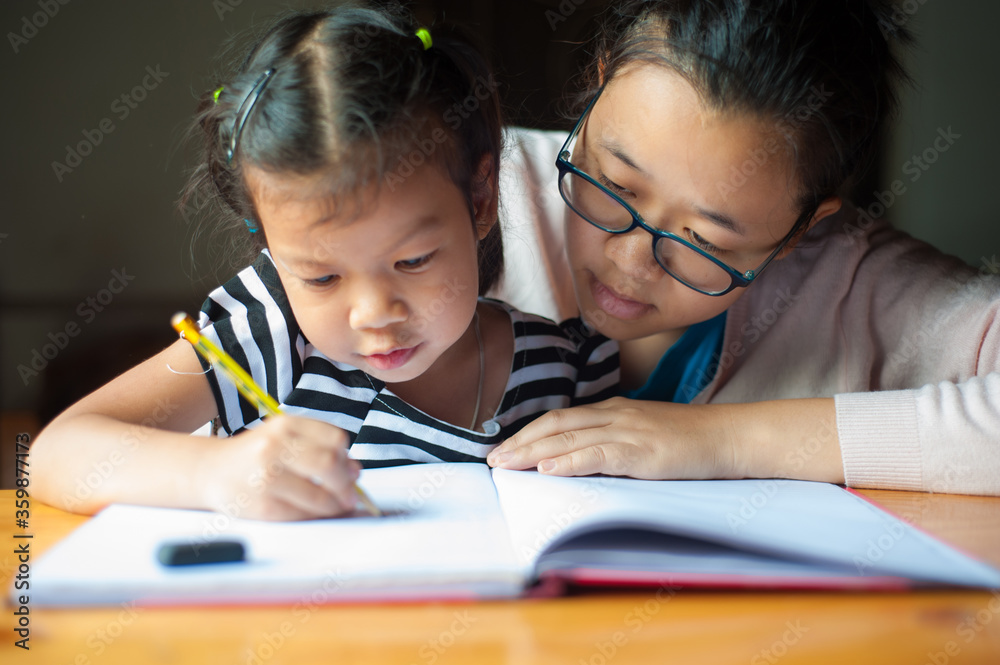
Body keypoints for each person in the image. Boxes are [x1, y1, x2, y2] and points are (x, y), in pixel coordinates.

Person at [28, 3, 618, 521]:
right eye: (322, 277)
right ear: (267, 246)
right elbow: (61, 452)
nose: (372, 314)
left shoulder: (566, 370)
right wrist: (214, 472)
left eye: (412, 260)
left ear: (482, 199)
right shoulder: (272, 336)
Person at [487, 0, 1000, 496]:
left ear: (799, 230)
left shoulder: (858, 286)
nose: (631, 262)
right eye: (615, 186)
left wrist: (722, 438)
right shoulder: (467, 200)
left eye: (706, 241)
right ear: (598, 85)